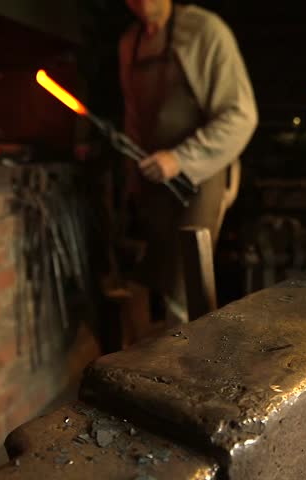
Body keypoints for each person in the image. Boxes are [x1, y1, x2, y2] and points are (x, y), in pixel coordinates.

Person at [120, 0, 258, 324]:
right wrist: (132, 178)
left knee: (187, 287)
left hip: (201, 176)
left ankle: (189, 368)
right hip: (154, 177)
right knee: (155, 279)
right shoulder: (129, 44)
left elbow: (241, 115)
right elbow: (133, 120)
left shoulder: (204, 32)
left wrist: (181, 158)